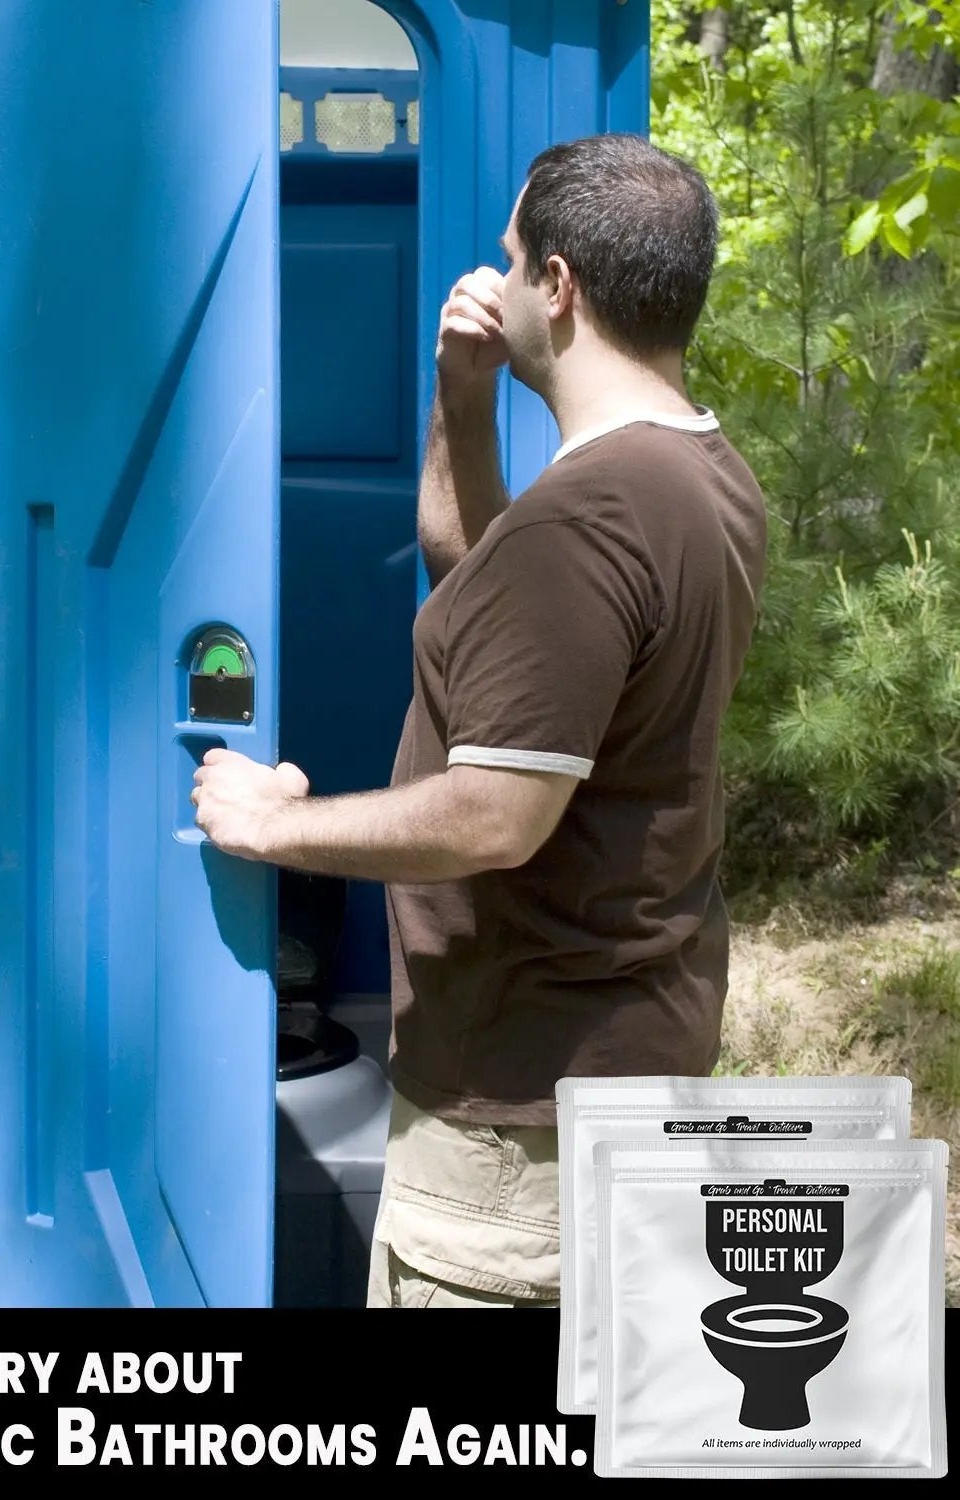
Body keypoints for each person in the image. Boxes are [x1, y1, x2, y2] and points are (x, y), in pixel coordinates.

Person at [191, 133, 768, 1309]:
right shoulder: (701, 477)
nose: (495, 282)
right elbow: (486, 580)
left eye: (511, 261)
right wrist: (463, 391)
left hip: (518, 1128)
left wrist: (273, 827)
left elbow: (496, 818)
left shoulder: (589, 518)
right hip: (623, 1066)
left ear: (556, 288)